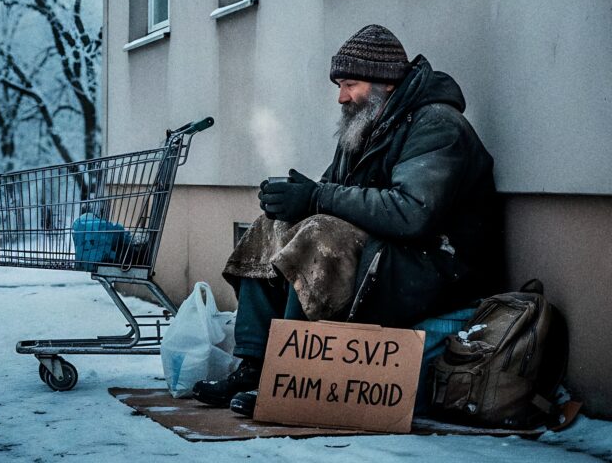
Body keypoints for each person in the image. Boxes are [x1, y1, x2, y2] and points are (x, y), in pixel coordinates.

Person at [192, 24, 499, 416]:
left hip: (437, 266)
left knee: (318, 236)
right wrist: (291, 200)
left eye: (350, 84)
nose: (341, 96)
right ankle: (255, 366)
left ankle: (292, 374)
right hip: (389, 255)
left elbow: (412, 213)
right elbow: (333, 194)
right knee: (271, 228)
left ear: (386, 83)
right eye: (340, 85)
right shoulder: (365, 125)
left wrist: (316, 198)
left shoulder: (437, 125)